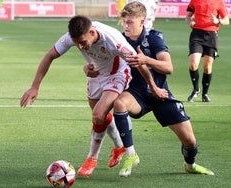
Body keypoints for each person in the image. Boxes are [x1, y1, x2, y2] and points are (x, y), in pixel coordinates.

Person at [20, 15, 162, 177]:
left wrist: (153, 86)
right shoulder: (72, 37)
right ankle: (119, 147)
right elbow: (49, 55)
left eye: (82, 42)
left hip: (117, 74)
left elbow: (139, 62)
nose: (80, 47)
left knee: (97, 115)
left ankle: (91, 158)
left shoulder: (113, 40)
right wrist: (34, 87)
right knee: (100, 118)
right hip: (95, 74)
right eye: (76, 43)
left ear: (93, 33)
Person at [112, 1, 214, 177]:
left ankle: (190, 164)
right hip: (137, 93)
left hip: (162, 94)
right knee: (120, 103)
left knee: (190, 141)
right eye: (124, 21)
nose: (126, 25)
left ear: (142, 22)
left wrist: (147, 60)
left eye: (130, 22)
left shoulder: (154, 37)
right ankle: (131, 155)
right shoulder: (120, 40)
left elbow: (169, 67)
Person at [185, 0, 229, 102]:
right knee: (193, 64)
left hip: (211, 36)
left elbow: (226, 20)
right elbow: (187, 16)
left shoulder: (219, 2)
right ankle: (196, 89)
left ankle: (205, 94)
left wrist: (217, 21)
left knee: (207, 67)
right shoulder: (194, 1)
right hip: (196, 34)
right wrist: (190, 22)